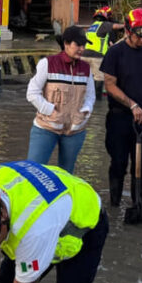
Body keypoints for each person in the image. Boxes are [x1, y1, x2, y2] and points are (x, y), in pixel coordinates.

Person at [100, 8, 142, 223]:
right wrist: (132, 105)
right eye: (140, 34)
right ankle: (114, 203)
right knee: (119, 162)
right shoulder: (115, 53)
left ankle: (140, 205)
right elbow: (110, 85)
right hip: (120, 116)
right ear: (128, 31)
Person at [26, 27, 95, 174]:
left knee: (66, 175)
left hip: (75, 131)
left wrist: (86, 111)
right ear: (66, 43)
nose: (82, 49)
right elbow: (32, 93)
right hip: (45, 128)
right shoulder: (47, 63)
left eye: (84, 45)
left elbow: (90, 96)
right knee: (33, 172)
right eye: (78, 45)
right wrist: (49, 110)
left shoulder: (86, 68)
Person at [82, 6, 124, 100]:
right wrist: (126, 25)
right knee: (99, 78)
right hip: (97, 56)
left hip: (84, 55)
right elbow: (116, 26)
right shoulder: (104, 24)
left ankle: (88, 97)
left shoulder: (92, 26)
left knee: (89, 77)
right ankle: (97, 100)